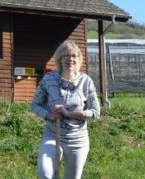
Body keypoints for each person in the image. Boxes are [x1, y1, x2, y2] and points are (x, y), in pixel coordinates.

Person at [31, 40, 101, 179]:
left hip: (78, 139)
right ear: (60, 58)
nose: (71, 59)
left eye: (75, 56)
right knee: (45, 173)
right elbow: (35, 105)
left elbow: (95, 112)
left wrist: (70, 113)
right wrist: (49, 115)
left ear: (79, 59)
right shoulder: (49, 79)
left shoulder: (85, 81)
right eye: (67, 55)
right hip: (53, 134)